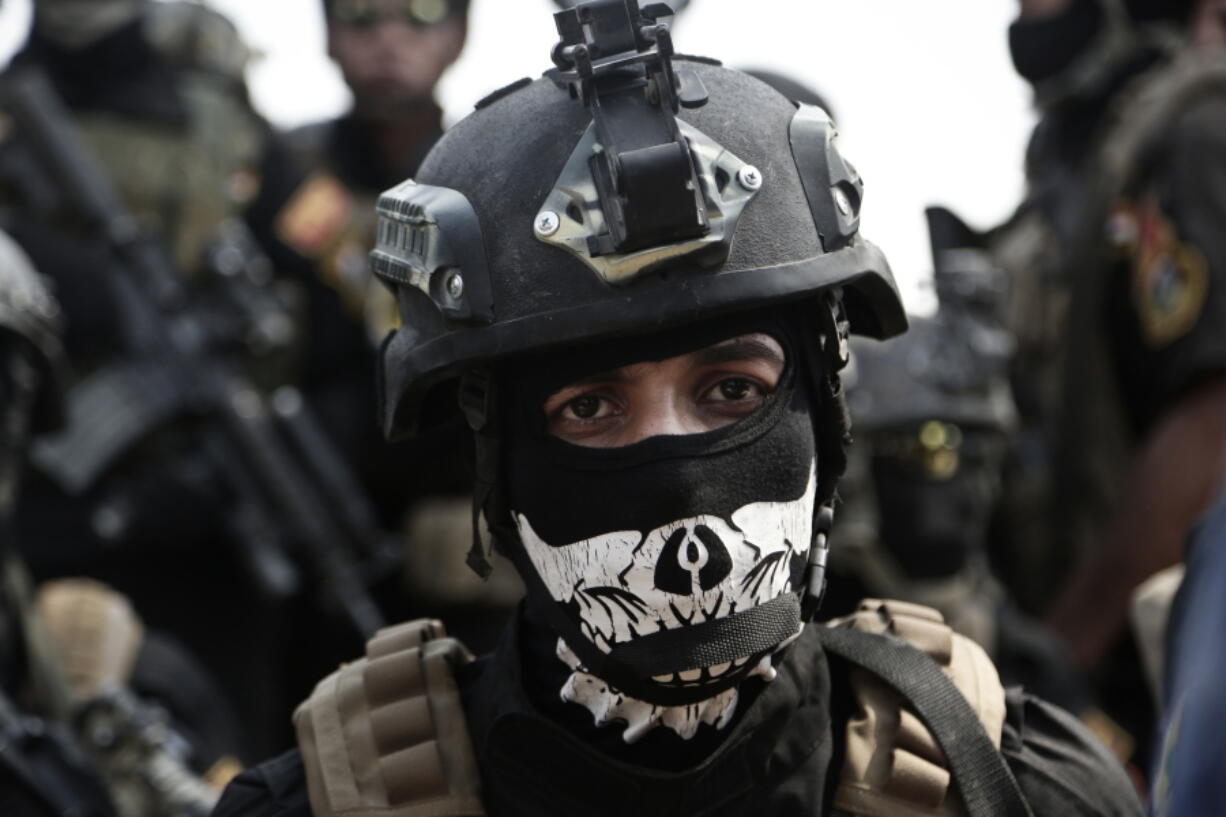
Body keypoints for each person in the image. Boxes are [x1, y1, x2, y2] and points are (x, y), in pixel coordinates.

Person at [214, 3, 1143, 815]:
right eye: (589, 408)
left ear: (824, 408)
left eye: (732, 391)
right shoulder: (319, 800)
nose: (677, 481)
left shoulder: (1007, 781)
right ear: (496, 463)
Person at [989, 0, 1226, 762]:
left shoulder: (1195, 131)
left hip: (1165, 688)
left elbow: (1214, 421)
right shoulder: (1080, 155)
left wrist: (1062, 650)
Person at [830, 207, 1088, 715]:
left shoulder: (1033, 662)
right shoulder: (814, 662)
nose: (968, 488)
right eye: (933, 449)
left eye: (983, 455)